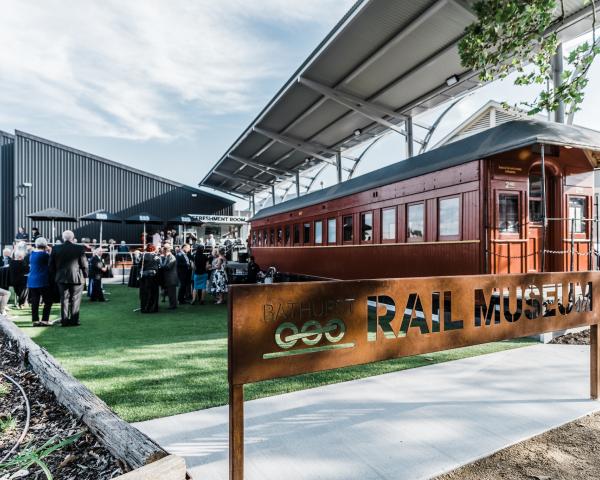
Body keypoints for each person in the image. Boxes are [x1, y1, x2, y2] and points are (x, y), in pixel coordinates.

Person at [49, 230, 89, 327]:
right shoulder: (79, 248)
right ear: (72, 238)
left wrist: (55, 275)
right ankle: (74, 320)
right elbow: (84, 264)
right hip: (76, 278)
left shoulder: (55, 248)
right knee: (75, 299)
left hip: (61, 278)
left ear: (63, 238)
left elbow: (51, 265)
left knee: (64, 300)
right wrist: (85, 275)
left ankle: (64, 320)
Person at [27, 237, 53, 326]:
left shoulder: (32, 254)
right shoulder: (45, 255)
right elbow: (51, 263)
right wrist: (50, 251)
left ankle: (35, 320)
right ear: (45, 245)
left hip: (32, 280)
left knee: (35, 301)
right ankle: (45, 320)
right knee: (48, 301)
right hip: (42, 280)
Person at [139, 245, 161, 313]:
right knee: (154, 292)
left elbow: (139, 265)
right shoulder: (157, 256)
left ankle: (145, 308)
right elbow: (159, 266)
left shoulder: (143, 256)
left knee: (145, 292)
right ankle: (153, 308)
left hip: (145, 276)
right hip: (154, 276)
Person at [160, 243, 178, 310]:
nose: (162, 251)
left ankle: (173, 305)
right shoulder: (168, 257)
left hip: (171, 278)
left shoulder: (171, 257)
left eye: (164, 249)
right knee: (170, 293)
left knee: (172, 293)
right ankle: (172, 305)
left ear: (166, 250)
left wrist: (160, 265)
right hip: (169, 278)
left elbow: (168, 266)